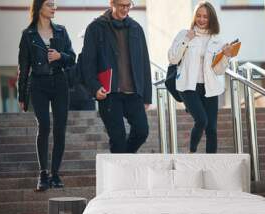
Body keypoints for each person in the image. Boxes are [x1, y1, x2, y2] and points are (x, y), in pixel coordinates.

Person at [17, 0, 76, 191]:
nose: (54, 8)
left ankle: (55, 173)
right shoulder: (28, 35)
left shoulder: (61, 31)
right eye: (50, 4)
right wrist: (21, 94)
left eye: (54, 4)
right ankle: (43, 173)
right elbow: (23, 67)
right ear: (40, 7)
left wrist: (61, 56)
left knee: (60, 129)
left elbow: (72, 58)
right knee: (44, 125)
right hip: (38, 84)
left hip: (59, 82)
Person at [81, 0, 152, 153]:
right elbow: (88, 63)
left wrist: (147, 96)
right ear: (112, 3)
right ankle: (120, 169)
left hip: (133, 93)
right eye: (121, 5)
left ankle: (122, 159)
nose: (125, 9)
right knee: (117, 139)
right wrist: (94, 88)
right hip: (109, 95)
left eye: (128, 5)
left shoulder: (136, 28)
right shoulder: (95, 28)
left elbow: (144, 63)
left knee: (142, 131)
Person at [168, 1, 233, 153]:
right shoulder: (184, 34)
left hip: (209, 87)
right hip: (188, 86)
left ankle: (211, 162)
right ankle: (192, 151)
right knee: (202, 120)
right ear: (194, 17)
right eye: (198, 15)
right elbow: (173, 59)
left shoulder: (217, 40)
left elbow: (218, 71)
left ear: (211, 19)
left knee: (212, 129)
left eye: (205, 16)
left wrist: (226, 56)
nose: (202, 19)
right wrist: (186, 40)